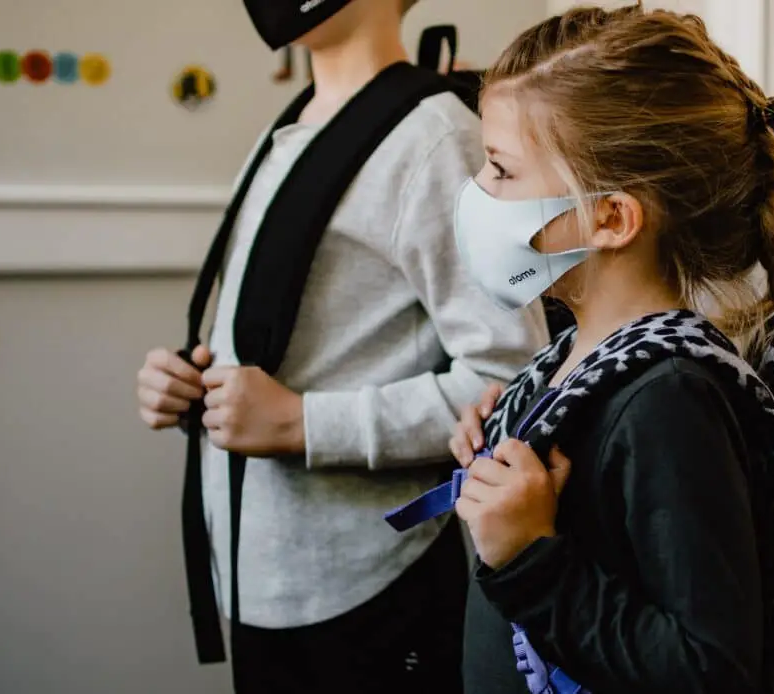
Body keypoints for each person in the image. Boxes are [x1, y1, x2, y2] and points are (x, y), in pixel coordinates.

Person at [445, 4, 774, 693]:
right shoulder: (577, 361)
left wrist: (530, 557)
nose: (479, 193)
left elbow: (707, 670)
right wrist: (504, 451)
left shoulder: (669, 400)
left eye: (501, 170)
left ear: (611, 218)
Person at [134, 0, 548, 692]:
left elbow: (508, 375)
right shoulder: (288, 127)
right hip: (257, 573)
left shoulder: (434, 138)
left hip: (369, 583)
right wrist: (191, 383)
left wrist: (303, 423)